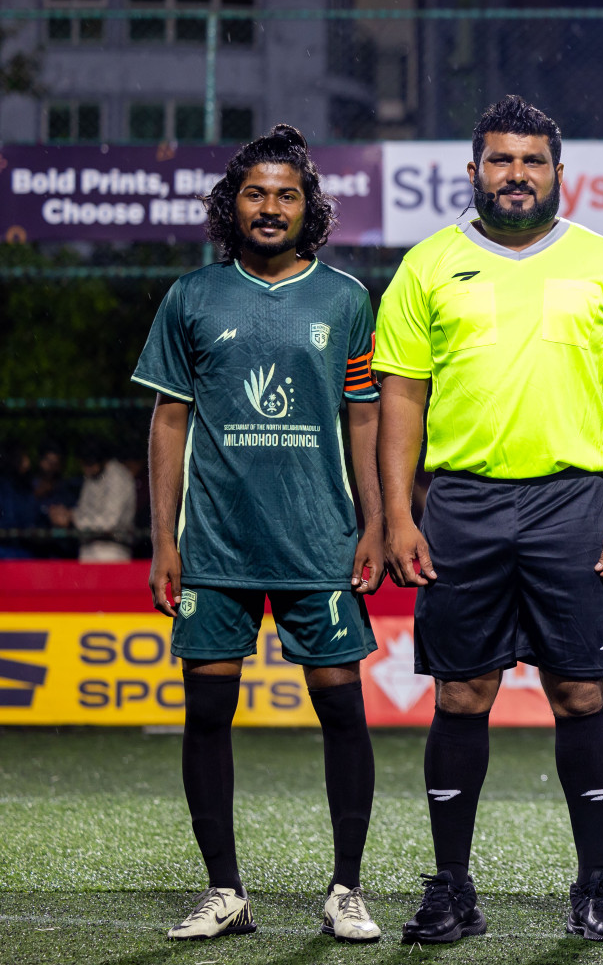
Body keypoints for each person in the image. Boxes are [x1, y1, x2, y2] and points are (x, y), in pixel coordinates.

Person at [374, 95, 603, 945]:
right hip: (462, 504)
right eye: (501, 160)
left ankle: (595, 886)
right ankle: (451, 888)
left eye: (532, 161)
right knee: (462, 692)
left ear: (561, 174)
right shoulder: (428, 265)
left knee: (579, 692)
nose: (517, 175)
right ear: (474, 170)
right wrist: (397, 514)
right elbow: (401, 397)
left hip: (575, 503)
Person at [133, 124, 386, 943]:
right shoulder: (192, 297)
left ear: (309, 208)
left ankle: (346, 890)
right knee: (207, 713)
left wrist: (376, 523)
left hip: (321, 543)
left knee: (342, 711)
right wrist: (164, 539)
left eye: (286, 194)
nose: (270, 207)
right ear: (231, 206)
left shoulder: (345, 299)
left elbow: (364, 418)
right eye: (254, 193)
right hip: (216, 545)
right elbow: (169, 421)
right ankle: (225, 892)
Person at [61, 440, 137, 562]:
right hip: (88, 548)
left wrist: (73, 518)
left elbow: (109, 522)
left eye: (89, 463)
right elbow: (83, 509)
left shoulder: (118, 477)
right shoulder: (91, 477)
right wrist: (69, 515)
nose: (85, 468)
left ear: (102, 460)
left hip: (113, 550)